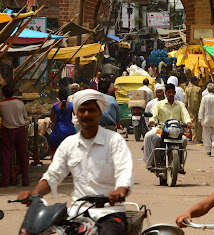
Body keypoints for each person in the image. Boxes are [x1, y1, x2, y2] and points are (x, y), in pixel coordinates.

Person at [17, 89, 134, 235]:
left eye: (91, 110)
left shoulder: (114, 141)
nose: (86, 114)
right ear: (76, 114)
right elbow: (53, 175)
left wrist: (120, 191)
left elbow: (124, 173)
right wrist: (34, 194)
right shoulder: (69, 144)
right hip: (77, 212)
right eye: (82, 110)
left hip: (109, 212)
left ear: (99, 113)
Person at [143, 83, 192, 167]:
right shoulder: (159, 104)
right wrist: (152, 121)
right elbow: (154, 115)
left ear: (175, 93)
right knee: (150, 137)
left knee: (184, 140)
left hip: (176, 131)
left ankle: (179, 162)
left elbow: (185, 115)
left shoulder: (180, 105)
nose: (171, 94)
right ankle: (151, 161)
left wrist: (188, 122)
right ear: (165, 93)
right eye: (169, 92)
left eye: (172, 92)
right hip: (162, 130)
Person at [0, 85, 29, 187]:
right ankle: (25, 180)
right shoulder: (19, 103)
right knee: (23, 156)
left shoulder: (1, 105)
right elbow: (25, 116)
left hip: (7, 131)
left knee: (6, 157)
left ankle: (5, 181)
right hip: (20, 130)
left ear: (3, 93)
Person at [49, 89, 75, 159]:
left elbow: (51, 118)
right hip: (69, 130)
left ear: (59, 97)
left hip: (58, 131)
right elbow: (76, 115)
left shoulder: (55, 106)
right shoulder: (71, 105)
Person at [199, 83, 214, 156]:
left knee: (206, 135)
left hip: (206, 119)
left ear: (208, 90)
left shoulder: (204, 98)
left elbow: (202, 109)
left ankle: (208, 151)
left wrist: (200, 119)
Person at [185, 77, 202, 143]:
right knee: (199, 122)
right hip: (199, 107)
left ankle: (194, 138)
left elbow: (186, 101)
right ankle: (199, 138)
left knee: (193, 122)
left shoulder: (187, 89)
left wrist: (185, 108)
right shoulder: (199, 89)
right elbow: (201, 100)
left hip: (191, 108)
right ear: (194, 81)